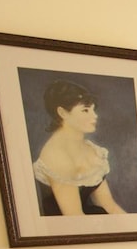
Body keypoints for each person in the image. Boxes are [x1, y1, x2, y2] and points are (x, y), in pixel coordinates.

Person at [33, 79, 126, 216]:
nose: (95, 116)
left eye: (93, 109)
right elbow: (74, 216)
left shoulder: (91, 150)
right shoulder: (56, 155)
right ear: (63, 113)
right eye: (85, 110)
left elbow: (108, 205)